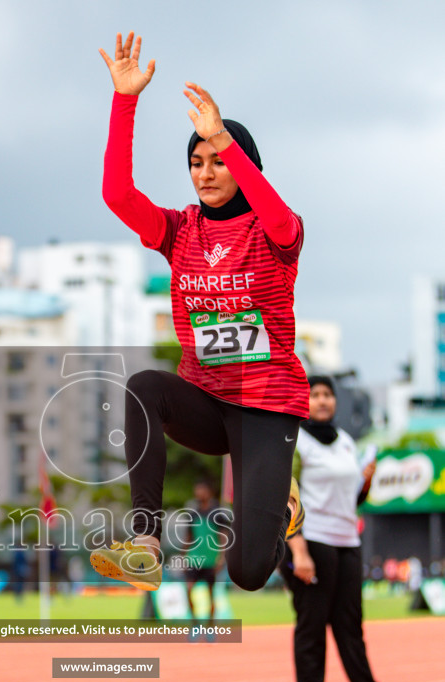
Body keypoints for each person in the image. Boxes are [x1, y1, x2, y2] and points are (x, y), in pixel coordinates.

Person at [89, 32, 307, 594]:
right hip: (207, 399)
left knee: (248, 571)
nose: (205, 172)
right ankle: (144, 542)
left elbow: (279, 217)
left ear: (244, 165)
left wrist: (223, 137)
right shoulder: (179, 230)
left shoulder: (276, 230)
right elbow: (118, 194)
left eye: (217, 160)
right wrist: (124, 100)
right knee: (142, 385)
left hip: (265, 408)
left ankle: (280, 509)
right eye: (196, 162)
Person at [279, 375, 417, 682]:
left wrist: (366, 479)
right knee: (312, 623)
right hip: (312, 540)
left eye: (328, 395)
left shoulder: (345, 442)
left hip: (346, 541)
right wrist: (300, 550)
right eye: (315, 395)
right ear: (303, 400)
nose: (322, 401)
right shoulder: (295, 441)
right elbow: (287, 499)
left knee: (350, 625)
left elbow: (352, 499)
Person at [182, 480, 224, 623]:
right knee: (188, 589)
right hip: (194, 557)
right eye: (197, 490)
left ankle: (210, 624)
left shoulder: (217, 514)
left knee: (210, 593)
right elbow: (188, 537)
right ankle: (194, 622)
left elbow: (223, 537)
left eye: (202, 490)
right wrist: (183, 556)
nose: (199, 493)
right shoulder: (193, 514)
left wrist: (222, 557)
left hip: (211, 558)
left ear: (209, 492)